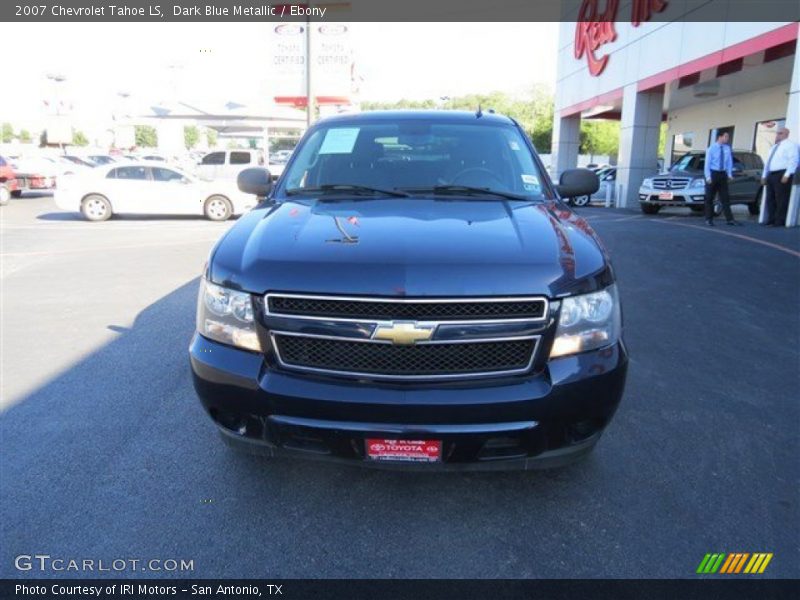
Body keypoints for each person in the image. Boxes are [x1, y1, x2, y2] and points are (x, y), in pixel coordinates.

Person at [760, 127, 799, 227]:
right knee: (770, 198)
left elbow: (793, 161)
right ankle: (771, 219)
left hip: (782, 174)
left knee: (781, 198)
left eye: (780, 133)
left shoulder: (791, 145)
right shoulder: (774, 147)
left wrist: (787, 174)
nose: (778, 135)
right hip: (771, 174)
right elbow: (768, 162)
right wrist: (764, 176)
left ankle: (780, 220)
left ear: (786, 134)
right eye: (777, 133)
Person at [703, 131, 740, 226]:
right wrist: (708, 176)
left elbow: (729, 162)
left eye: (728, 136)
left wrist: (729, 173)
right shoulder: (711, 149)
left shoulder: (727, 148)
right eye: (726, 136)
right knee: (709, 197)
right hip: (713, 173)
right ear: (720, 137)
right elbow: (707, 164)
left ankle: (730, 219)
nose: (727, 138)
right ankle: (709, 219)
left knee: (725, 197)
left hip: (722, 174)